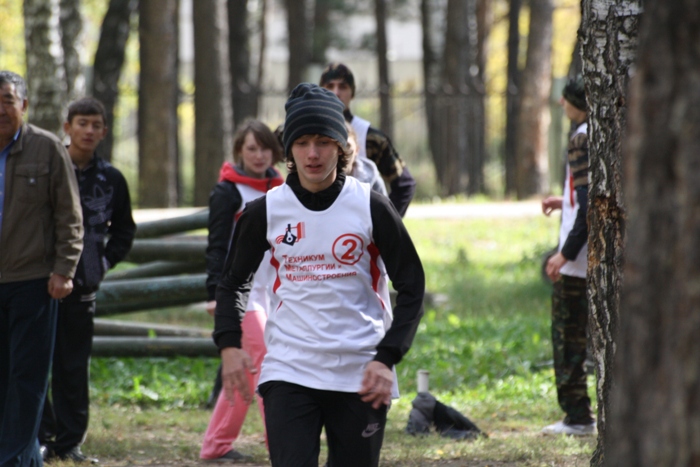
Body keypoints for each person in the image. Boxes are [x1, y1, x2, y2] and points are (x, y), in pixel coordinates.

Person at [215, 83, 425, 467]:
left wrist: (387, 356)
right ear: (288, 149)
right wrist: (229, 344)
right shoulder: (266, 211)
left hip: (361, 371)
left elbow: (412, 286)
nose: (312, 153)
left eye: (323, 142)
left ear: (341, 146)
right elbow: (233, 283)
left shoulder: (371, 207)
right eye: (302, 142)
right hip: (289, 367)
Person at [38, 97, 136, 463]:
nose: (89, 131)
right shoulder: (46, 169)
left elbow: (124, 230)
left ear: (105, 132)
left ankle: (69, 442)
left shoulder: (111, 179)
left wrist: (102, 263)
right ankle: (40, 436)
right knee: (34, 362)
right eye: (82, 123)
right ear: (67, 127)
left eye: (96, 125)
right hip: (39, 282)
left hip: (83, 288)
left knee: (73, 367)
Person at [0, 71, 84, 466]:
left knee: (27, 376)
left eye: (7, 100)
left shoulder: (47, 148)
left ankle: (13, 458)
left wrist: (64, 269)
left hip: (33, 280)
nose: (1, 110)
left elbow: (70, 215)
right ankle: (23, 455)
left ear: (24, 105)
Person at [200, 120, 284, 462]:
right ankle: (281, 443)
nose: (259, 155)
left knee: (246, 369)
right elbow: (216, 247)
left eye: (264, 148)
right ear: (239, 151)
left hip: (274, 292)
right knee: (266, 360)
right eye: (251, 148)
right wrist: (215, 294)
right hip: (240, 294)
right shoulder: (227, 192)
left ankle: (216, 445)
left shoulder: (283, 188)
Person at [540, 76, 595, 436]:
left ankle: (577, 417)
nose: (561, 104)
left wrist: (564, 254)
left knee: (567, 339)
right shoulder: (601, 132)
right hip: (595, 257)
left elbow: (589, 207)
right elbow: (589, 194)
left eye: (565, 98)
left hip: (577, 263)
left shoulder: (580, 139)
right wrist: (566, 201)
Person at [319, 62, 415, 217]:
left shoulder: (371, 138)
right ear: (320, 90)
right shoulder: (303, 132)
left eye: (343, 87)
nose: (336, 92)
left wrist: (387, 221)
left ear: (352, 92)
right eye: (330, 86)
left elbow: (404, 184)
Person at [344, 122, 387, 197]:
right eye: (339, 146)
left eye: (347, 146)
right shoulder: (323, 178)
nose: (343, 151)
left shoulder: (374, 181)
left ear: (357, 150)